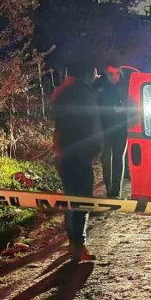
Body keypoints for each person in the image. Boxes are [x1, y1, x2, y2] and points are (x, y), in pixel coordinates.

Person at [51, 61, 103, 262]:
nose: (95, 80)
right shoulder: (85, 94)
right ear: (88, 75)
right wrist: (96, 148)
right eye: (94, 76)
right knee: (82, 199)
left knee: (71, 197)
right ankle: (78, 244)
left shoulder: (62, 92)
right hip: (80, 155)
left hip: (63, 154)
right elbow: (93, 124)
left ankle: (73, 242)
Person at [94, 61, 128, 198]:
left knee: (118, 158)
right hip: (104, 128)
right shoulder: (98, 85)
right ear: (106, 73)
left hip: (121, 127)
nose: (115, 77)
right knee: (106, 160)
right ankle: (109, 190)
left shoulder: (125, 84)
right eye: (111, 73)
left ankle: (116, 192)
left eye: (117, 73)